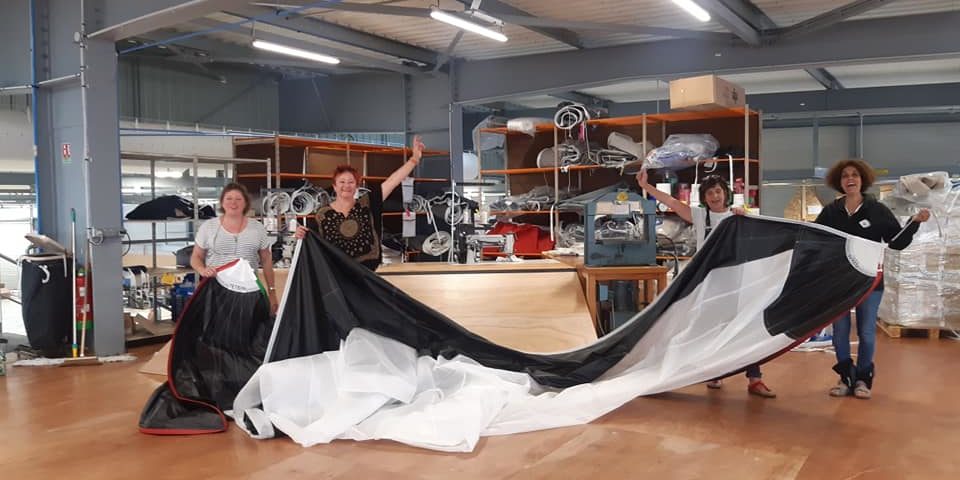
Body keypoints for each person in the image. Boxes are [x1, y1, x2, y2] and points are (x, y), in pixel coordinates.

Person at [636, 169, 776, 398]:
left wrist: (745, 218)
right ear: (704, 198)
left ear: (726, 193)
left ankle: (755, 379)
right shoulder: (700, 217)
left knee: (744, 329)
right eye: (709, 193)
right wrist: (646, 186)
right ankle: (714, 373)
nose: (714, 196)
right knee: (707, 329)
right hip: (710, 285)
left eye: (718, 191)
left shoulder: (739, 217)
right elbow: (671, 201)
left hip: (737, 284)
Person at [814, 159, 929, 400]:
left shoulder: (877, 210)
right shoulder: (831, 212)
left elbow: (896, 242)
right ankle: (846, 377)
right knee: (840, 333)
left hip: (870, 283)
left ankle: (863, 379)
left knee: (866, 333)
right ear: (839, 182)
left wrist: (914, 224)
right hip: (839, 284)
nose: (850, 179)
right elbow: (816, 241)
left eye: (854, 174)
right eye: (845, 176)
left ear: (862, 180)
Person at [295, 135, 426, 270]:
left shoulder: (368, 204)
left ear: (357, 186)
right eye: (342, 182)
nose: (346, 186)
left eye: (351, 182)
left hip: (366, 273)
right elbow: (312, 242)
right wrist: (301, 234)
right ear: (334, 186)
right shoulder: (322, 215)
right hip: (336, 275)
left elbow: (392, 181)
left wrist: (414, 159)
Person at [191, 183, 279, 313]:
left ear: (245, 203)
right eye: (229, 198)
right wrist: (202, 270)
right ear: (222, 202)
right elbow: (196, 256)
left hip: (249, 291)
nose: (233, 203)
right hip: (216, 291)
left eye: (238, 199)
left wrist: (272, 292)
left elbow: (266, 260)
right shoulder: (208, 227)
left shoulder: (257, 228)